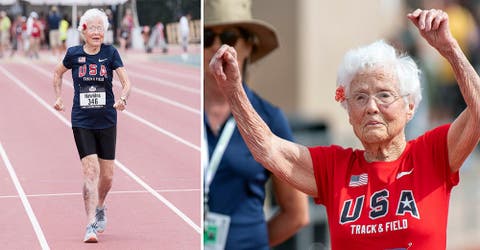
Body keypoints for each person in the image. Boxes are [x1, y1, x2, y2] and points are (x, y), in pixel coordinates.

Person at [209, 8, 480, 250]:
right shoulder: (335, 168)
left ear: (410, 107)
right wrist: (233, 91)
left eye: (384, 95)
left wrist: (449, 49)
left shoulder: (431, 155)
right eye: (360, 98)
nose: (371, 107)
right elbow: (267, 148)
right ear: (349, 112)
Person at [204, 0, 309, 249]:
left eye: (229, 37)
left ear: (249, 46)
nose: (217, 46)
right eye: (208, 37)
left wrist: (251, 243)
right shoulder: (184, 109)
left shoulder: (269, 119)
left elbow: (296, 213)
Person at [52, 8, 131, 243]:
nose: (97, 32)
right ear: (83, 30)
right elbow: (57, 74)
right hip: (82, 120)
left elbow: (126, 83)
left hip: (107, 120)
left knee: (107, 177)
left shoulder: (111, 53)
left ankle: (100, 206)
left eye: (100, 28)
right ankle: (90, 225)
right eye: (92, 28)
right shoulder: (73, 54)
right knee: (90, 171)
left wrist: (123, 98)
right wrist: (58, 97)